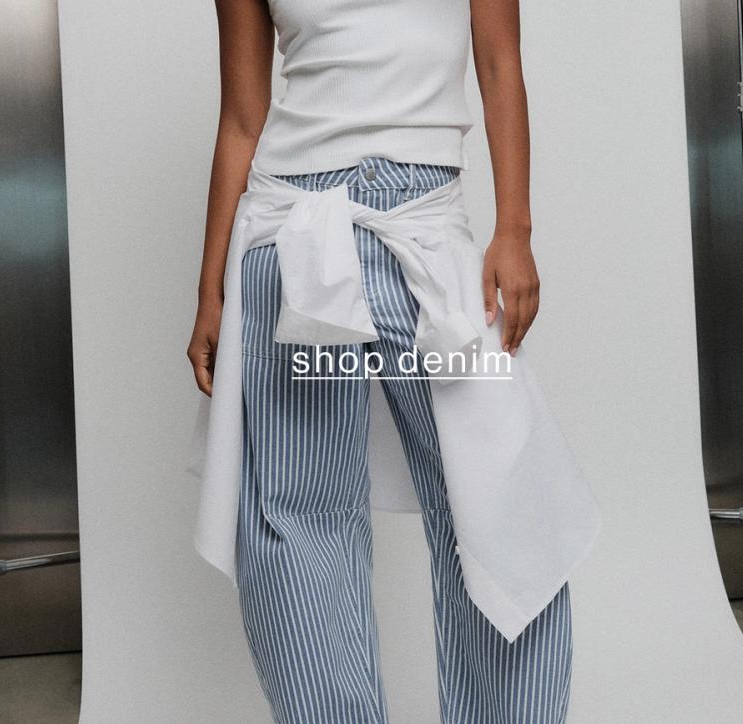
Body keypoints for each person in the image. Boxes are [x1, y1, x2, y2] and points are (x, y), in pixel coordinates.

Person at [185, 1, 601, 721]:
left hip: (426, 229)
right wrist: (210, 293)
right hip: (291, 238)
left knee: (497, 504)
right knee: (299, 518)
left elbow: (500, 62)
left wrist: (515, 229)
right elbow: (243, 120)